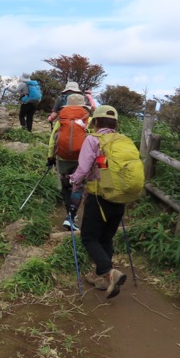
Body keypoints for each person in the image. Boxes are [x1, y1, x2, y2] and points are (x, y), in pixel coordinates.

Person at [69, 105, 128, 299]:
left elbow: (84, 168)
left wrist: (73, 181)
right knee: (106, 238)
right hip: (120, 198)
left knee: (88, 237)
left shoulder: (93, 139)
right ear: (115, 123)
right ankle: (101, 278)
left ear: (95, 122)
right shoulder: (124, 140)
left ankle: (108, 272)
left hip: (99, 197)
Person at [47, 93, 92, 229]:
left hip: (63, 156)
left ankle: (69, 212)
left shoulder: (62, 118)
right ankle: (71, 217)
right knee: (78, 186)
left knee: (66, 185)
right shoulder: (88, 119)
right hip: (82, 159)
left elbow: (52, 140)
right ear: (83, 105)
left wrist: (50, 158)